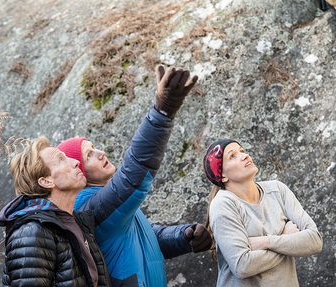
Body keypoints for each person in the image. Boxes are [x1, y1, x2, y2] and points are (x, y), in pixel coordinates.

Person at [57, 65, 212, 287]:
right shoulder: (91, 210)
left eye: (94, 147)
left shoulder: (110, 210)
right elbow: (135, 172)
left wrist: (182, 236)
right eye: (89, 155)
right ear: (78, 171)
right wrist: (162, 112)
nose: (101, 153)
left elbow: (143, 237)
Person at [203, 139, 323, 287]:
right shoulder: (223, 204)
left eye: (242, 150)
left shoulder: (278, 190)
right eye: (232, 156)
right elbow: (242, 266)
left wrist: (266, 241)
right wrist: (285, 238)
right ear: (222, 176)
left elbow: (315, 241)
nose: (244, 156)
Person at [0, 136, 111, 287]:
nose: (76, 162)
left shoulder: (74, 221)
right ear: (46, 181)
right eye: (61, 160)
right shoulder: (32, 232)